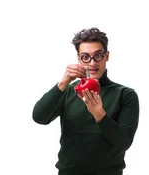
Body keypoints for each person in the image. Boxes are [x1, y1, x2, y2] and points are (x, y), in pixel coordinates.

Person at [32, 27, 140, 175]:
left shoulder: (125, 94)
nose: (92, 63)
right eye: (85, 57)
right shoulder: (69, 90)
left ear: (107, 56)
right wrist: (63, 83)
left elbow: (123, 142)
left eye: (98, 55)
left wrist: (99, 114)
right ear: (78, 58)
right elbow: (39, 117)